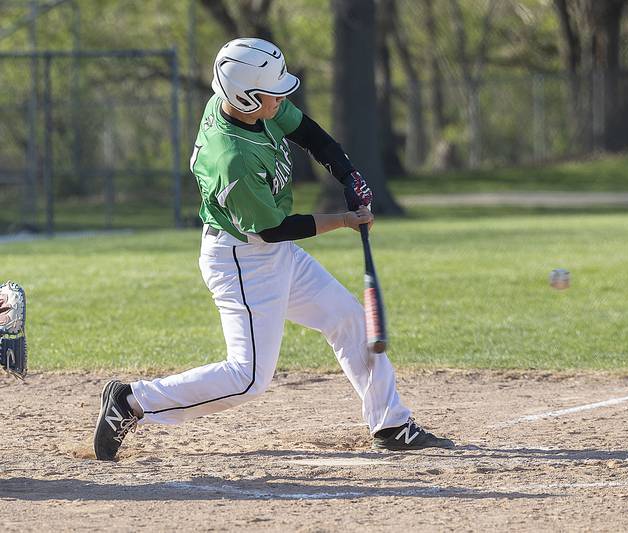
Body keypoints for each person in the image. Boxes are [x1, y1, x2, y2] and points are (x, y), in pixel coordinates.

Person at [92, 38, 454, 461]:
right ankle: (132, 401)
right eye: (273, 93)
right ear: (244, 97)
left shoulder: (247, 104)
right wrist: (343, 219)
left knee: (348, 319)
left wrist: (348, 174)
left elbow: (307, 133)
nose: (282, 98)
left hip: (267, 252)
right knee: (247, 378)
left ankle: (390, 424)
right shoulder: (232, 158)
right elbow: (274, 229)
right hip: (243, 260)